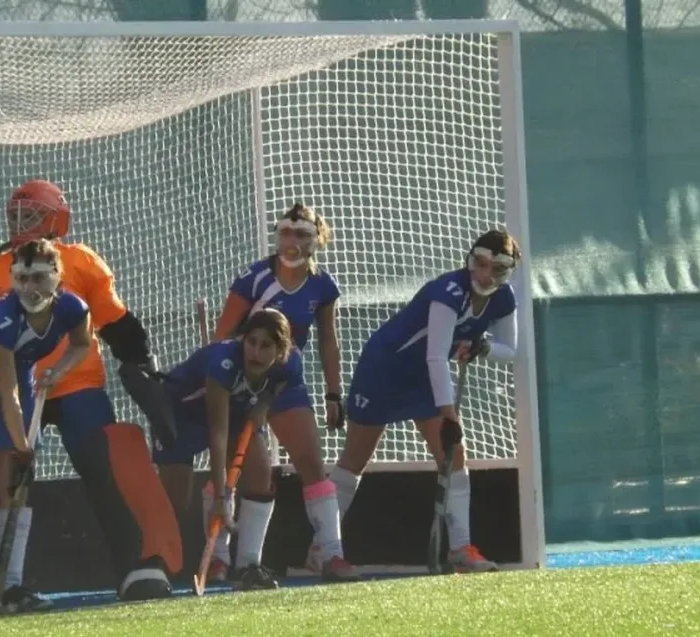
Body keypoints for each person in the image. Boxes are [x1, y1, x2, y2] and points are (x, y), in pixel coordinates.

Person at [0, 179, 182, 603]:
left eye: (31, 214)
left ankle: (141, 563)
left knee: (111, 456)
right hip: (11, 386)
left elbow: (117, 325)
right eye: (16, 215)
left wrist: (146, 372)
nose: (20, 223)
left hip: (77, 385)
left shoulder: (80, 262)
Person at [333, 228, 522, 573]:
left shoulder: (504, 298)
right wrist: (449, 415)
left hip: (423, 379)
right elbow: (436, 355)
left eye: (497, 269)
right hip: (385, 368)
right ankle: (324, 549)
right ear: (470, 261)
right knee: (355, 459)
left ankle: (461, 548)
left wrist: (481, 346)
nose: (485, 275)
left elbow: (509, 349)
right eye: (480, 264)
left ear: (507, 272)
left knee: (454, 455)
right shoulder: (448, 292)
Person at [212, 202, 356, 582]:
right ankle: (220, 556)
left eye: (302, 235)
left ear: (316, 240)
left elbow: (328, 342)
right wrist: (221, 382)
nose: (291, 242)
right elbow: (223, 334)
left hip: (285, 381)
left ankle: (330, 554)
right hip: (243, 381)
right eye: (285, 233)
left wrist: (334, 393)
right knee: (235, 468)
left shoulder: (322, 285)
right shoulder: (255, 278)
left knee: (311, 462)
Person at [0, 239, 92, 613]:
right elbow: (6, 393)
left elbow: (81, 344)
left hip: (19, 378)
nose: (29, 288)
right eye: (21, 279)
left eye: (38, 278)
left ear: (57, 277)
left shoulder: (72, 308)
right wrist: (23, 447)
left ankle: (10, 586)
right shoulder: (1, 321)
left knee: (11, 487)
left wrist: (58, 372)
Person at [154, 308, 303, 591]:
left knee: (260, 474)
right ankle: (155, 565)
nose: (255, 352)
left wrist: (264, 404)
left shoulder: (291, 364)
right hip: (179, 412)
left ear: (280, 351)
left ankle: (248, 565)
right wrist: (221, 497)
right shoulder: (223, 364)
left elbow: (277, 386)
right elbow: (218, 433)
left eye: (266, 346)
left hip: (236, 409)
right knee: (176, 500)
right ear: (242, 340)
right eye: (252, 342)